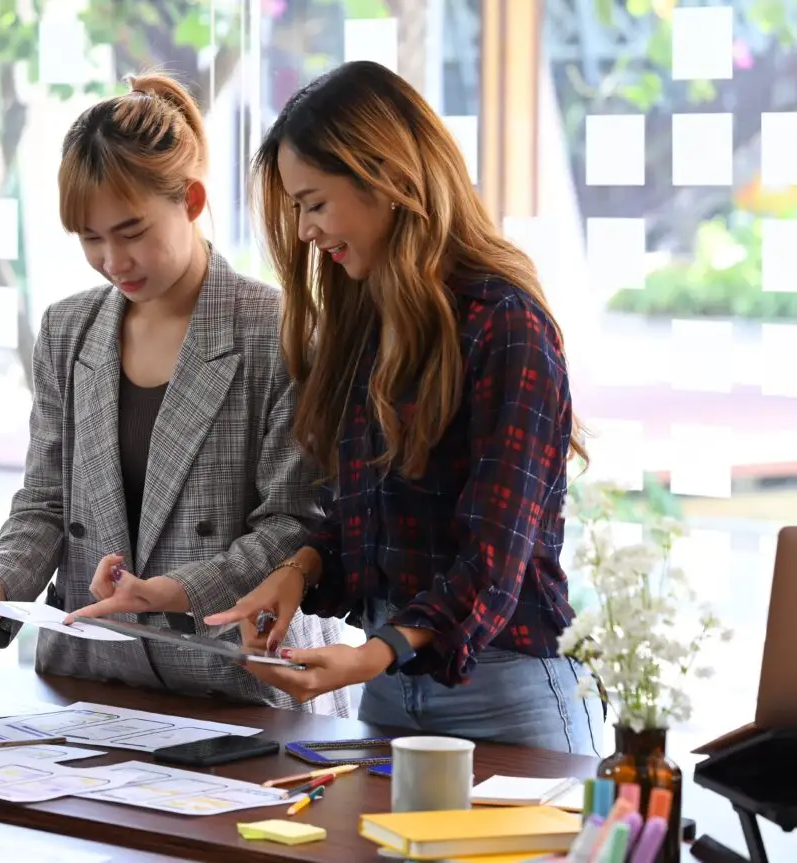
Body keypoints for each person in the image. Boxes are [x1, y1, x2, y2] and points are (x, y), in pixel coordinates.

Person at [205, 60, 600, 753]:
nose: (303, 231)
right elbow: (368, 521)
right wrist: (298, 572)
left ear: (386, 179)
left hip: (506, 695)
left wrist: (377, 652)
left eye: (315, 202)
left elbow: (494, 557)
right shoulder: (366, 325)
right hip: (389, 688)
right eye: (297, 208)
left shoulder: (507, 325)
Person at [0, 72, 349, 714]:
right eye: (90, 239)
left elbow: (295, 524)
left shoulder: (279, 330)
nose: (112, 260)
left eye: (131, 232)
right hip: (87, 679)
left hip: (239, 682)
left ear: (192, 200)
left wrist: (173, 591)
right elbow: (45, 499)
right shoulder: (68, 329)